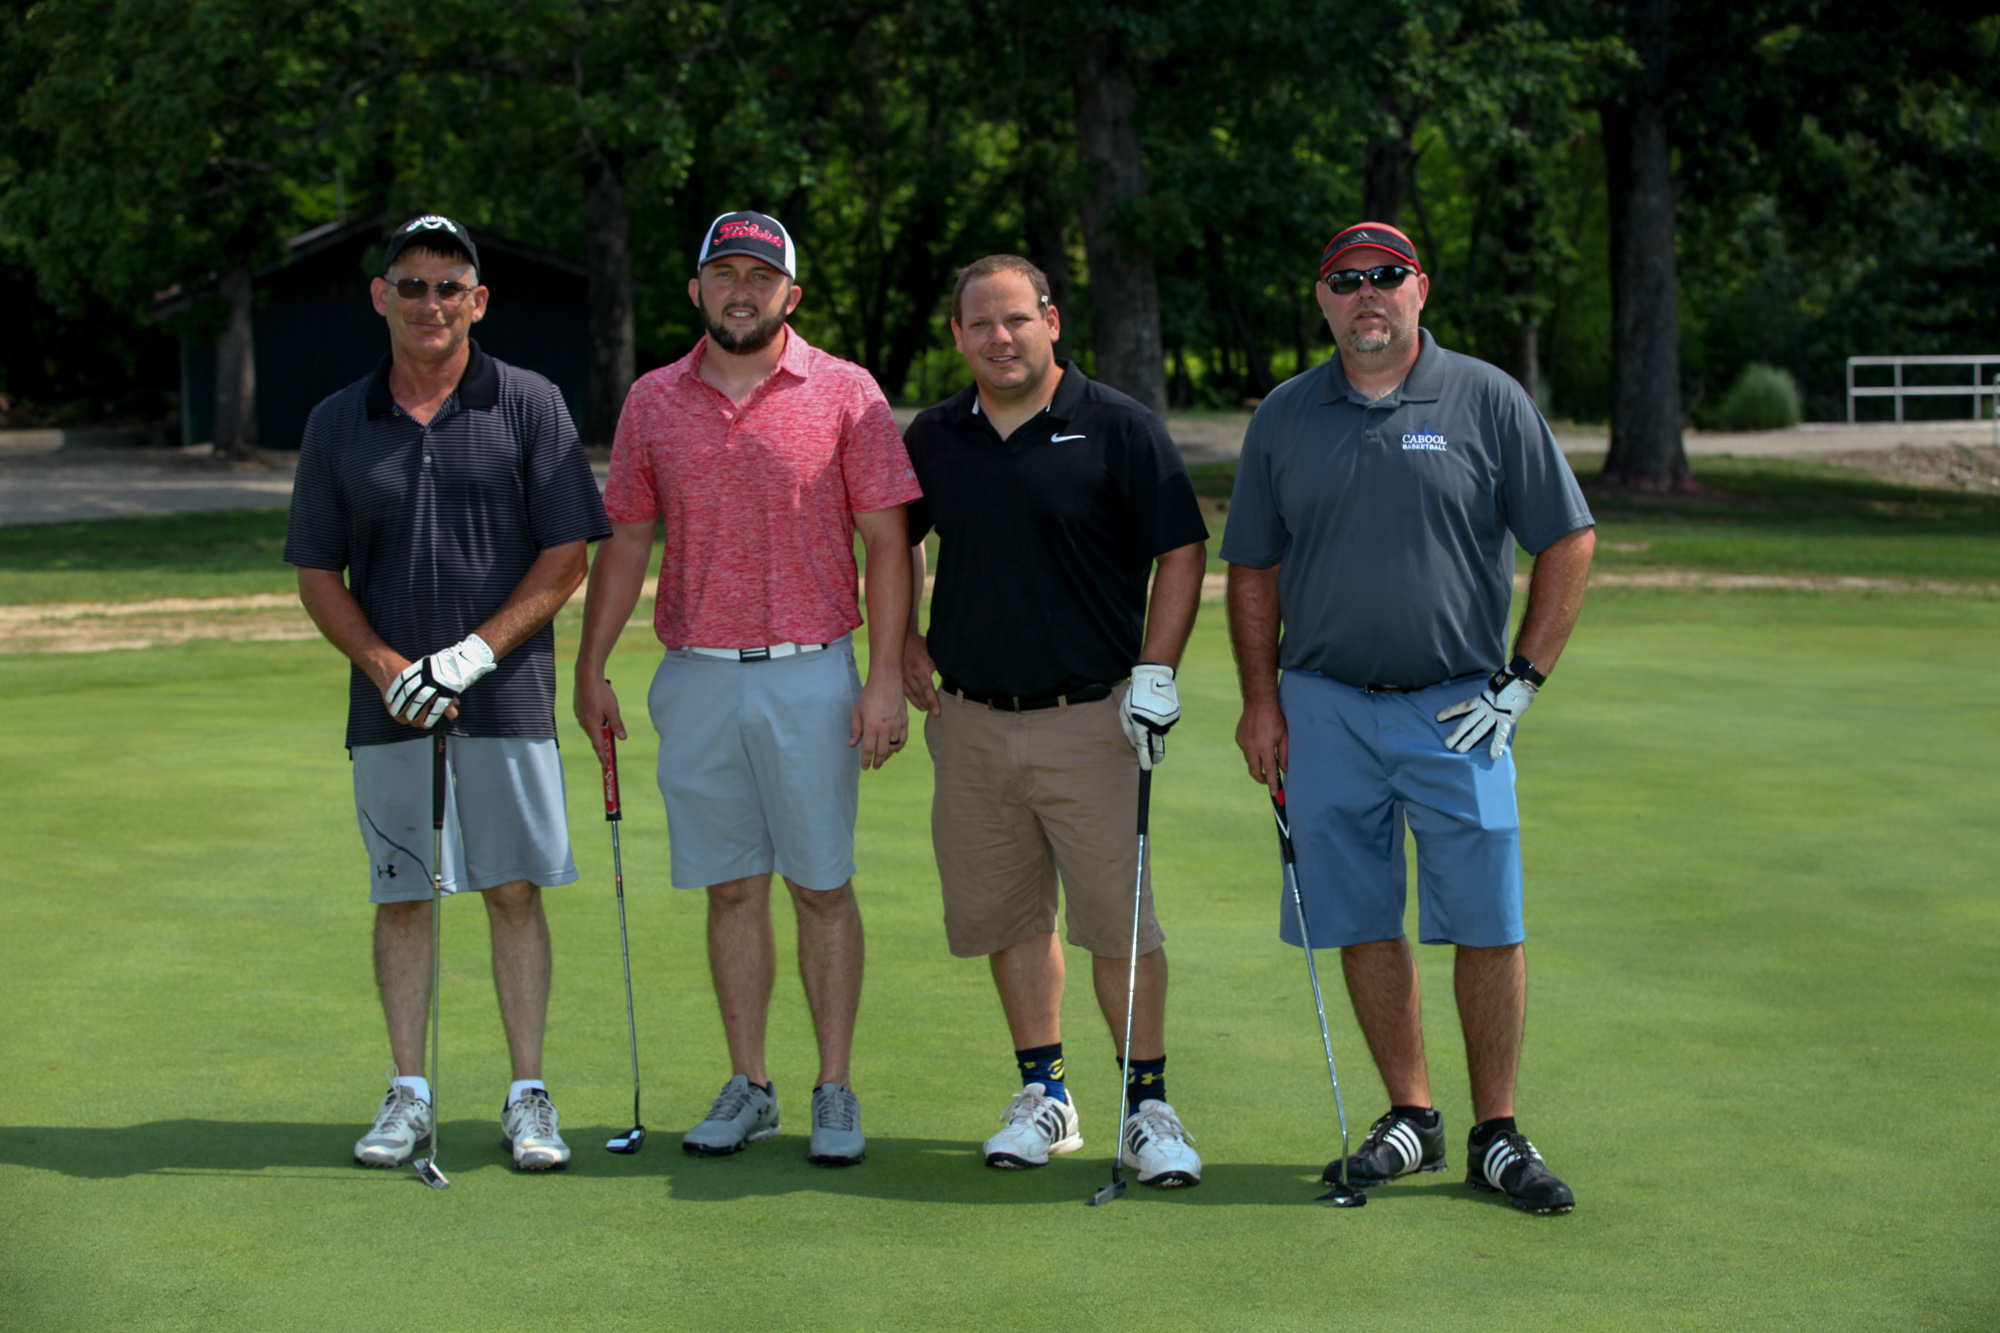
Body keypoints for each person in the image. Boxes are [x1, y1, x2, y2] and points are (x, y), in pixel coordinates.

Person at [1222, 221, 1595, 1214]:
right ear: (1322, 299)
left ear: (1418, 289)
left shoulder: (1484, 398)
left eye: (1385, 277)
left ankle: (1496, 1132)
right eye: (1345, 282)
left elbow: (1566, 539)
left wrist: (1522, 678)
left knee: (1486, 917)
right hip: (1323, 705)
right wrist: (1259, 700)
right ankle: (1410, 1115)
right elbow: (1250, 568)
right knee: (1355, 914)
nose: (1365, 295)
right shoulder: (1285, 414)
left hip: (1457, 707)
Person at [574, 211, 917, 1167]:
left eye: (759, 277)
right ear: (695, 290)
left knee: (821, 886)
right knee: (731, 889)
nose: (741, 290)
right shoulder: (652, 400)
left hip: (812, 672)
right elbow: (630, 539)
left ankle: (834, 1087)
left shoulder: (847, 391)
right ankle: (751, 1083)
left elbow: (889, 544)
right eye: (723, 273)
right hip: (695, 674)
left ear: (789, 296)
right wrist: (591, 663)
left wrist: (884, 676)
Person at [286, 213, 611, 1173]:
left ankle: (527, 1095)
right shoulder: (336, 420)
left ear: (478, 301)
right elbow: (316, 573)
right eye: (413, 285)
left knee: (511, 890)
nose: (432, 303)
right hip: (387, 708)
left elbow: (567, 556)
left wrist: (472, 654)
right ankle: (409, 1092)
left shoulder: (529, 402)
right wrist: (389, 667)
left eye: (450, 286)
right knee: (404, 896)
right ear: (382, 297)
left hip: (506, 700)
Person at [900, 255, 1210, 1186]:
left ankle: (1148, 1106)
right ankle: (1046, 1096)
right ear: (957, 336)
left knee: (1121, 921)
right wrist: (903, 640)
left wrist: (1156, 670)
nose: (1001, 337)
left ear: (1052, 321)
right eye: (981, 324)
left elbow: (1183, 552)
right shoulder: (935, 436)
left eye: (1017, 319)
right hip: (973, 718)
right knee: (1009, 913)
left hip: (1094, 719)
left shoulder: (1118, 426)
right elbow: (887, 541)